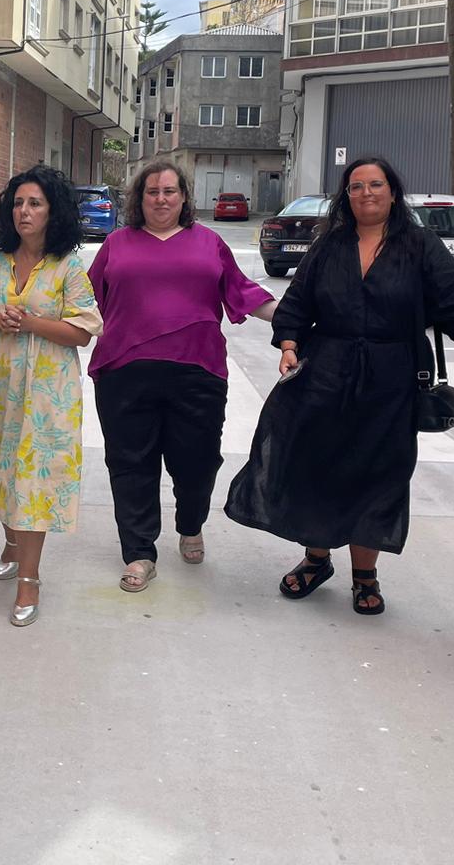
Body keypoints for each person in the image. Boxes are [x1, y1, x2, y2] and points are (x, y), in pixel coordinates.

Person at [225, 156, 454, 614]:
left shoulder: (420, 245)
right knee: (317, 465)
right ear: (346, 196)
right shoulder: (329, 245)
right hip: (325, 371)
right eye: (356, 186)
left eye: (376, 184)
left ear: (393, 192)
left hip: (392, 379)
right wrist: (289, 344)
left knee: (380, 475)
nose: (367, 193)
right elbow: (298, 302)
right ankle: (317, 559)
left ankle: (365, 574)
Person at [89, 159, 277, 593]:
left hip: (198, 370)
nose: (160, 199)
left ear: (185, 197)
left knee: (197, 463)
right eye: (152, 192)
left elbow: (245, 294)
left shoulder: (209, 242)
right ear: (139, 199)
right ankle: (139, 553)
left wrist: (300, 319)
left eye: (169, 191)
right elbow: (84, 300)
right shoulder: (116, 244)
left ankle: (191, 523)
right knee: (130, 464)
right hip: (123, 372)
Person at [0, 166, 100, 626]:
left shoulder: (68, 267)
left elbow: (83, 332)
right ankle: (12, 543)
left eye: (35, 203)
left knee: (33, 481)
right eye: (18, 203)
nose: (24, 211)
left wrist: (31, 323)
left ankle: (29, 580)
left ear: (53, 212)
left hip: (46, 394)